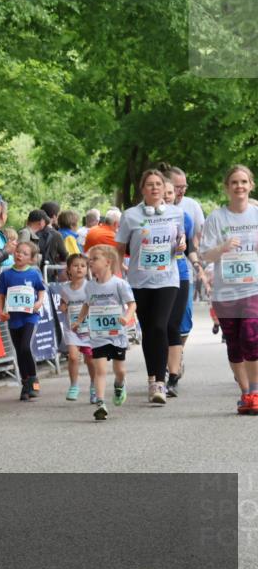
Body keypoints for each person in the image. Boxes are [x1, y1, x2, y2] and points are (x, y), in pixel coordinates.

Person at [115, 169, 185, 404]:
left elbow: (179, 241)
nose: (155, 188)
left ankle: (160, 384)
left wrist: (180, 246)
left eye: (158, 184)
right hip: (139, 281)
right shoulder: (130, 216)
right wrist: (117, 273)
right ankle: (152, 377)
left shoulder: (176, 213)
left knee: (159, 326)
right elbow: (119, 247)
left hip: (168, 279)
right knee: (148, 330)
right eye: (150, 185)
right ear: (142, 189)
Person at [199, 165, 258, 415]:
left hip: (253, 287)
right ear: (227, 187)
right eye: (234, 182)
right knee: (233, 344)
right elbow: (204, 254)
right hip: (225, 293)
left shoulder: (256, 215)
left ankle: (255, 391)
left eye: (244, 182)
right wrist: (222, 247)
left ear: (251, 186)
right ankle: (245, 394)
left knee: (251, 338)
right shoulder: (216, 218)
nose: (239, 186)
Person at [74, 244, 136, 421]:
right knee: (100, 369)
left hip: (117, 334)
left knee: (120, 370)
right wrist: (79, 321)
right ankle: (100, 403)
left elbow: (132, 304)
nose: (90, 262)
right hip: (98, 335)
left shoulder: (119, 284)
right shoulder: (90, 286)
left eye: (94, 259)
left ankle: (119, 384)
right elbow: (87, 304)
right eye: (90, 259)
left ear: (108, 262)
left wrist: (126, 316)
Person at [162, 178, 201, 397]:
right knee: (158, 327)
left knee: (175, 325)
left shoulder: (182, 216)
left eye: (171, 192)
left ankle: (172, 375)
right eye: (165, 192)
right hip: (152, 279)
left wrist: (195, 263)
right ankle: (158, 374)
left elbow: (190, 248)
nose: (168, 195)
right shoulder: (142, 218)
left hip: (179, 275)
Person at [0, 241, 45, 401]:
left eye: (24, 253)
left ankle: (34, 382)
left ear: (31, 259)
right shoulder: (6, 275)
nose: (19, 255)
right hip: (14, 318)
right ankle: (25, 384)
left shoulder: (33, 273)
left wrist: (39, 303)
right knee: (19, 351)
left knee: (25, 347)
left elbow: (41, 290)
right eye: (18, 251)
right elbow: (1, 295)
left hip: (30, 316)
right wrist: (1, 311)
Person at [57, 253, 95, 402]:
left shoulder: (90, 286)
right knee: (73, 357)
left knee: (90, 359)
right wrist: (63, 306)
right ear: (69, 269)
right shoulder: (65, 288)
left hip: (88, 328)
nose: (79, 268)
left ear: (87, 269)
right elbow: (63, 304)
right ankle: (74, 385)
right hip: (71, 328)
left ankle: (93, 385)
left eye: (83, 266)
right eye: (75, 265)